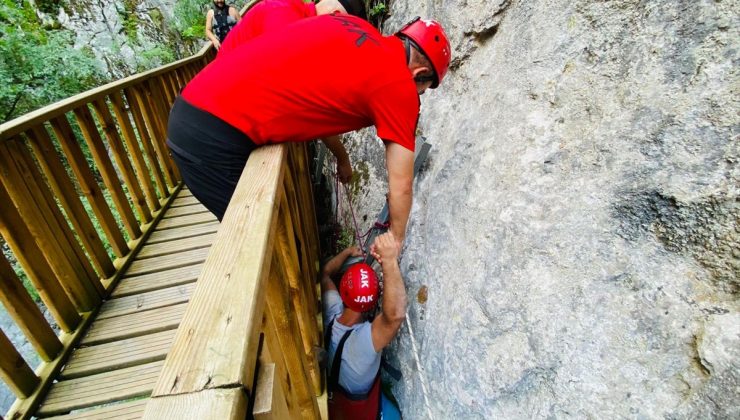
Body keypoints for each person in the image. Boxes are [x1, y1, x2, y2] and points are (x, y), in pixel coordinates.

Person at [166, 14, 451, 246]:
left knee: (268, 234)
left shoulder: (352, 25)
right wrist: (396, 240)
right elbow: (401, 184)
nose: (420, 95)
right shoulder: (399, 87)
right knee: (262, 247)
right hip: (212, 136)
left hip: (197, 103)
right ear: (420, 73)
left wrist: (341, 157)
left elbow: (318, 104)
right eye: (425, 89)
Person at [321, 232, 406, 420]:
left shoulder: (330, 310)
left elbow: (326, 272)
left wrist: (348, 251)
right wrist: (389, 261)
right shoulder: (364, 342)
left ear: (342, 292)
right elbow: (394, 316)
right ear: (374, 300)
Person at [218, 0, 367, 56]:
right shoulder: (284, 12)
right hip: (220, 92)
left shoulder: (295, 11)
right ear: (336, 15)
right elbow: (281, 68)